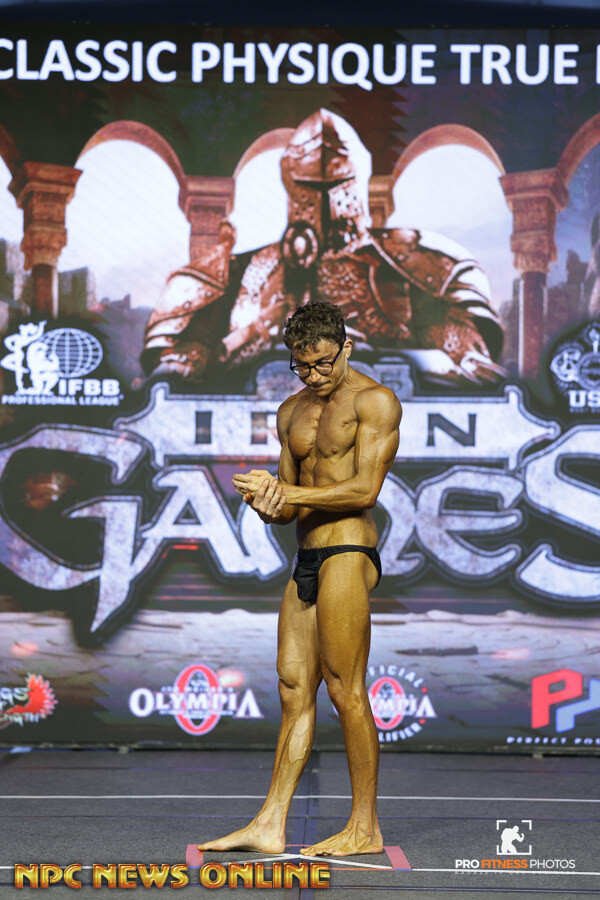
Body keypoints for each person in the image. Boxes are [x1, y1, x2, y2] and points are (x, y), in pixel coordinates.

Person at [198, 299, 402, 858]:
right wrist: (268, 498)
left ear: (346, 347)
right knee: (293, 688)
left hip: (349, 549)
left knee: (344, 688)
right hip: (307, 556)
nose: (313, 375)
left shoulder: (375, 401)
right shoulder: (291, 411)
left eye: (323, 363)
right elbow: (289, 508)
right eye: (302, 365)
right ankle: (270, 822)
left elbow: (364, 491)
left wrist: (288, 492)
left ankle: (365, 827)